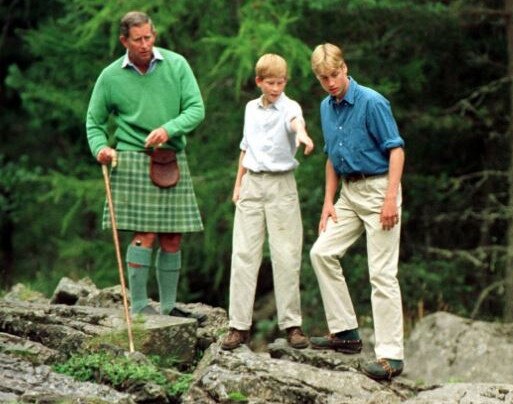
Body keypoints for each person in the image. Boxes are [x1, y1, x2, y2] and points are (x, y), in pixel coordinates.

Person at [86, 11, 205, 319]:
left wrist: (169, 129)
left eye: (149, 37)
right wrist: (101, 148)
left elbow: (196, 109)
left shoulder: (177, 66)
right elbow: (94, 122)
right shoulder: (110, 77)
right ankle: (139, 306)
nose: (144, 45)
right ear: (124, 40)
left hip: (171, 157)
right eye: (137, 39)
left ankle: (167, 308)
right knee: (146, 233)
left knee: (173, 236)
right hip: (132, 159)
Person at [308, 43, 405, 381]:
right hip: (348, 191)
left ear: (345, 68)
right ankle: (346, 333)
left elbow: (396, 150)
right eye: (323, 78)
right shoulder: (325, 107)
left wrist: (391, 198)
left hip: (380, 188)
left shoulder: (372, 102)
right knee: (321, 252)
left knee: (381, 273)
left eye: (334, 75)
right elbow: (332, 156)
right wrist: (328, 201)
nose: (331, 82)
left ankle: (391, 356)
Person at [221, 54, 314, 351]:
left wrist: (302, 135)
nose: (276, 88)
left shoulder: (290, 107)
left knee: (286, 255)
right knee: (244, 254)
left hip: (280, 185)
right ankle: (238, 326)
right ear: (259, 81)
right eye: (271, 83)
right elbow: (245, 147)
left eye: (281, 82)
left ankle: (292, 325)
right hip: (251, 184)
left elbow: (295, 123)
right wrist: (238, 184)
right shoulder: (250, 108)